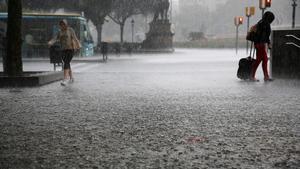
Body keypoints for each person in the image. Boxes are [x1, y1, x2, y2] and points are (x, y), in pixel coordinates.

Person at [48, 20, 81, 86]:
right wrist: (50, 42)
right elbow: (55, 38)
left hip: (70, 49)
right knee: (67, 63)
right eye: (61, 25)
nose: (62, 26)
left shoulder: (70, 30)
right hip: (63, 50)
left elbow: (75, 38)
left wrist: (78, 45)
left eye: (63, 24)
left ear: (66, 24)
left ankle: (65, 79)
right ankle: (71, 78)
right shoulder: (59, 32)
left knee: (66, 62)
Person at [250, 11, 275, 82]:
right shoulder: (265, 24)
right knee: (259, 60)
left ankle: (266, 76)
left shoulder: (260, 22)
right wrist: (269, 43)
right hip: (260, 44)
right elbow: (265, 36)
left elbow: (260, 34)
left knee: (264, 60)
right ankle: (252, 76)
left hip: (258, 44)